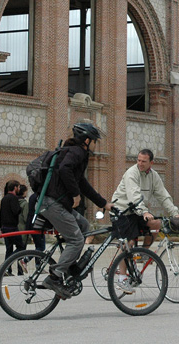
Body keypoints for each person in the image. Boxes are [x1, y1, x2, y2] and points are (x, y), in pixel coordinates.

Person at [36, 122, 112, 299]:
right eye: (94, 141)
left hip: (54, 203)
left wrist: (104, 203)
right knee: (77, 239)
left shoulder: (73, 152)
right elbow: (65, 170)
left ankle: (70, 267)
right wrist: (75, 194)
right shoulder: (77, 152)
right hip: (52, 203)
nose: (95, 145)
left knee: (84, 225)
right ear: (87, 140)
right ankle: (54, 277)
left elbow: (82, 182)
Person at [111, 148, 179, 247]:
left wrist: (174, 213)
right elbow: (134, 196)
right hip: (122, 212)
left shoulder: (154, 176)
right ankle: (123, 260)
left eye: (144, 161)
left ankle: (144, 254)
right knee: (128, 244)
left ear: (151, 163)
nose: (140, 163)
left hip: (136, 212)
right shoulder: (132, 173)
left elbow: (163, 196)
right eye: (138, 160)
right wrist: (144, 212)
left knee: (155, 224)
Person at [0, 180, 24, 266]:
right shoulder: (13, 198)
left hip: (5, 227)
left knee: (9, 248)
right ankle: (7, 263)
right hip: (12, 227)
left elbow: (1, 214)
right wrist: (20, 208)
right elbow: (16, 211)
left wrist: (1, 227)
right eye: (18, 187)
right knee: (21, 247)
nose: (19, 189)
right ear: (15, 188)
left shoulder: (4, 198)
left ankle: (7, 270)